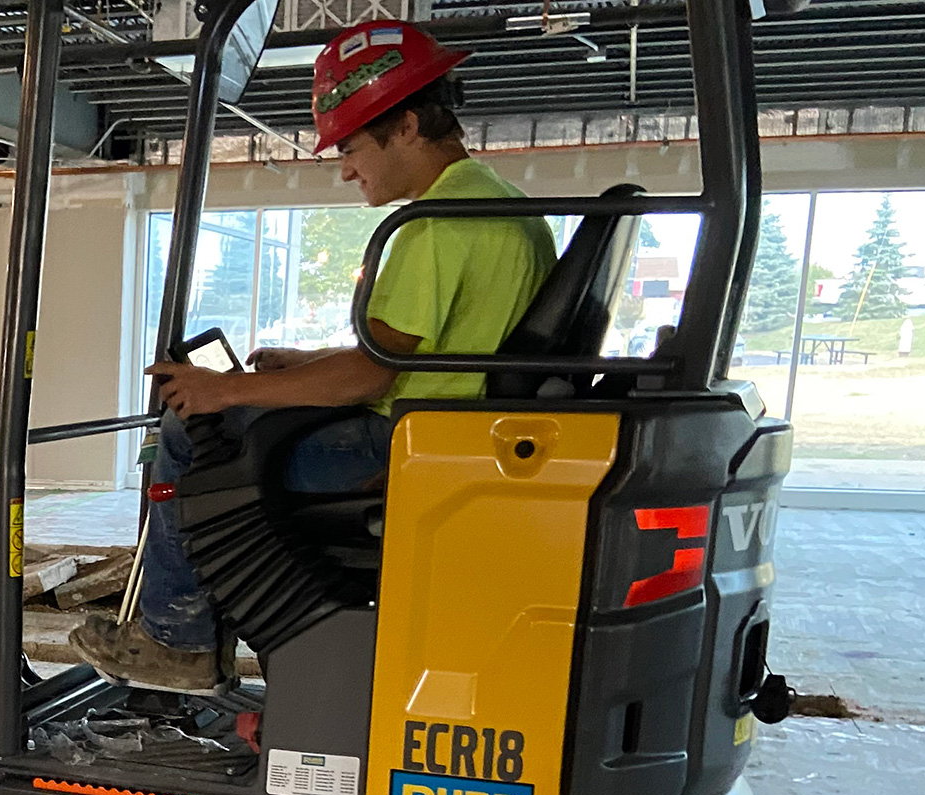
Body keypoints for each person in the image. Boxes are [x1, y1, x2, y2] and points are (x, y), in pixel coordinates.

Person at [70, 19, 561, 694]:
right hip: (454, 427)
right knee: (236, 423)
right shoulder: (500, 204)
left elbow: (370, 374)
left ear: (409, 127)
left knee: (188, 433)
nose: (348, 167)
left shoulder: (434, 225)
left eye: (353, 145)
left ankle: (177, 640)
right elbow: (423, 348)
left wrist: (226, 390)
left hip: (401, 443)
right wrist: (302, 361)